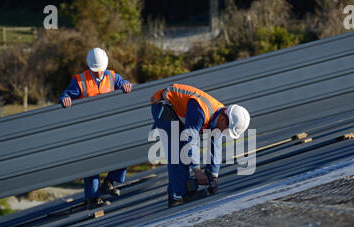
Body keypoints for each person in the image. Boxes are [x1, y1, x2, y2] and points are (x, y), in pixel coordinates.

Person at [150, 83, 250, 207]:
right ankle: (179, 194)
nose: (226, 133)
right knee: (178, 150)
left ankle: (177, 191)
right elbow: (190, 140)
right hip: (163, 105)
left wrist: (213, 176)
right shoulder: (201, 111)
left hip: (174, 107)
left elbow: (215, 146)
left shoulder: (219, 116)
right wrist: (197, 171)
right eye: (227, 130)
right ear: (224, 119)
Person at [59, 48, 133, 209]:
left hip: (110, 126)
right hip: (89, 129)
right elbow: (65, 95)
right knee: (92, 163)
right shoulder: (80, 81)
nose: (99, 74)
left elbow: (126, 85)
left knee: (124, 151)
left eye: (101, 70)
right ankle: (93, 198)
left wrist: (127, 85)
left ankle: (110, 182)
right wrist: (65, 99)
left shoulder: (113, 76)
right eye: (95, 71)